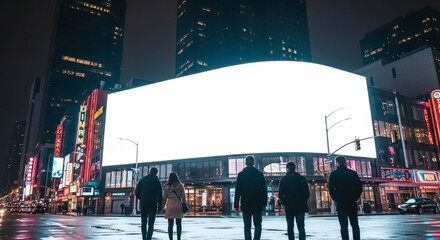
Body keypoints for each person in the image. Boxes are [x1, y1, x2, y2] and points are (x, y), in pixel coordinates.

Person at [329, 156, 363, 240]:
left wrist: (336, 199)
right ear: (345, 162)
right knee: (355, 224)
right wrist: (355, 197)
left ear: (337, 163)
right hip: (351, 201)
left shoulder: (334, 174)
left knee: (343, 225)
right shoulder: (353, 173)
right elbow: (359, 187)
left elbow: (331, 189)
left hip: (341, 202)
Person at [234, 155, 268, 240]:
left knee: (247, 226)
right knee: (257, 225)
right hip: (257, 204)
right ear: (254, 163)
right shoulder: (259, 174)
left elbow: (238, 191)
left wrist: (236, 205)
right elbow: (264, 190)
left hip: (246, 204)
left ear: (245, 163)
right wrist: (264, 204)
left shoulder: (241, 174)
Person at [279, 162, 310, 240]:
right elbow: (307, 193)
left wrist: (284, 203)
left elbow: (280, 194)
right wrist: (302, 201)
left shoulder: (283, 180)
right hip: (300, 206)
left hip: (289, 206)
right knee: (301, 227)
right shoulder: (302, 179)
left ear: (287, 168)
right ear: (295, 168)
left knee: (290, 227)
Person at [135, 167, 163, 240]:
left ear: (150, 171)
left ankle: (144, 237)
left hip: (144, 203)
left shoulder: (143, 180)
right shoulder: (157, 181)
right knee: (151, 223)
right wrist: (160, 207)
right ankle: (149, 238)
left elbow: (136, 192)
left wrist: (141, 198)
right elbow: (160, 195)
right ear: (156, 173)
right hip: (153, 203)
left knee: (143, 222)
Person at [162, 172, 186, 240]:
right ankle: (178, 238)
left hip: (170, 206)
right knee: (178, 224)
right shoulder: (181, 186)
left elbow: (164, 198)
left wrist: (162, 206)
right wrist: (184, 203)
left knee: (170, 225)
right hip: (178, 206)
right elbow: (184, 198)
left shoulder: (166, 187)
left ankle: (171, 238)